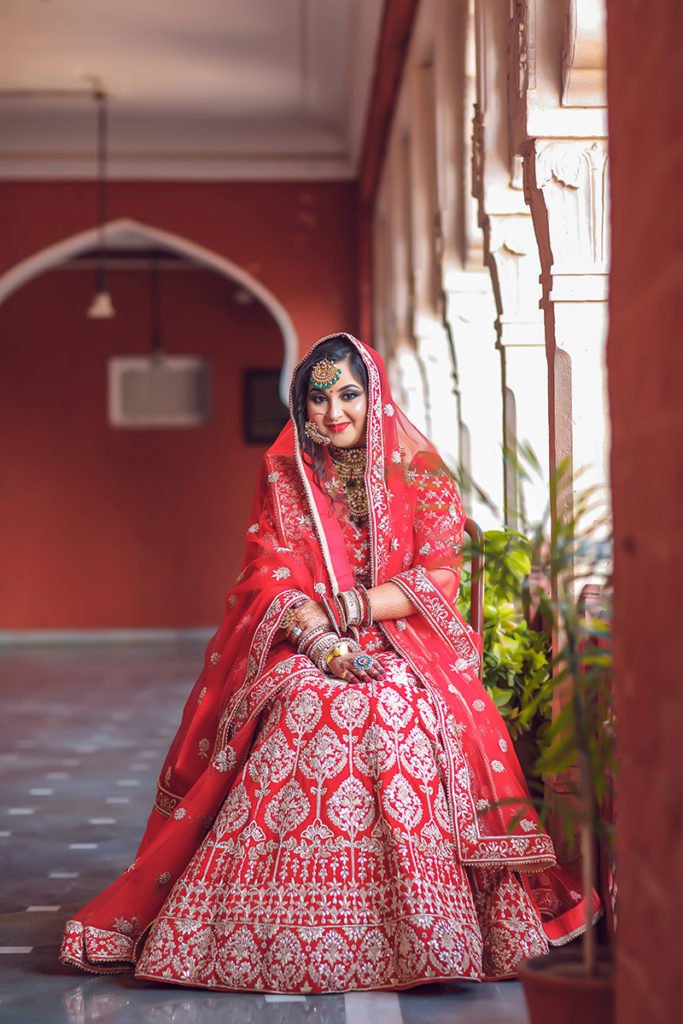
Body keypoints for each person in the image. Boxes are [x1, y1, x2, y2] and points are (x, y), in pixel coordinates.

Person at [60, 333, 589, 992]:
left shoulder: (416, 472)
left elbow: (439, 576)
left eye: (347, 394)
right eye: (317, 397)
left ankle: (425, 924)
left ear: (374, 397)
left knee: (394, 704)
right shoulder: (286, 476)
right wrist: (320, 644)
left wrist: (345, 612)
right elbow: (265, 575)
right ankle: (270, 925)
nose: (333, 410)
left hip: (402, 638)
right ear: (300, 405)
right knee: (308, 702)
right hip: (304, 642)